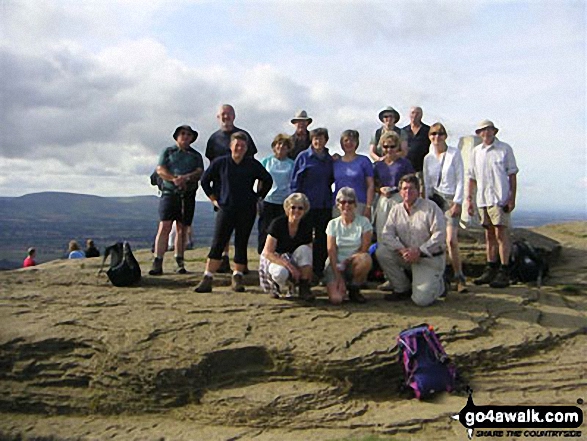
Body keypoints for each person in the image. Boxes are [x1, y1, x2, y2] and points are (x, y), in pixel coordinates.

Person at [195, 132, 273, 293]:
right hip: (226, 207)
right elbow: (204, 180)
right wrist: (213, 199)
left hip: (247, 208)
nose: (239, 148)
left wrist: (259, 197)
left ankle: (237, 277)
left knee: (241, 242)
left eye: (242, 146)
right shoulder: (221, 162)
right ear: (230, 146)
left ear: (246, 148)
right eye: (236, 145)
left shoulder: (252, 164)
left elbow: (267, 180)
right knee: (218, 242)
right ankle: (208, 277)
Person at [376, 174, 447, 306]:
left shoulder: (431, 208)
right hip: (407, 256)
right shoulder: (396, 210)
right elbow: (386, 234)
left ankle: (439, 284)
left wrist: (420, 251)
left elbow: (440, 234)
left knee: (421, 301)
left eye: (411, 189)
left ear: (418, 191)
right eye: (404, 188)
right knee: (382, 252)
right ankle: (402, 288)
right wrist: (402, 250)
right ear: (400, 191)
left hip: (428, 259)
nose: (408, 192)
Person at [205, 104, 258, 272]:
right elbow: (210, 166)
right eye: (222, 114)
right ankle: (224, 259)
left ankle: (240, 266)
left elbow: (253, 164)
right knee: (222, 230)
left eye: (228, 114)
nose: (225, 117)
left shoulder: (244, 136)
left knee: (241, 234)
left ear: (234, 116)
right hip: (222, 189)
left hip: (243, 190)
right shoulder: (214, 138)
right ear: (218, 117)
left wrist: (256, 195)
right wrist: (213, 196)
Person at [467, 120, 519, 288]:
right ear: (479, 133)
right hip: (483, 199)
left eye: (489, 130)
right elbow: (472, 177)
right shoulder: (476, 152)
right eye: (483, 130)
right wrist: (469, 198)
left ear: (494, 131)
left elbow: (512, 175)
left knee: (501, 234)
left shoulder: (505, 149)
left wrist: (512, 198)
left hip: (499, 197)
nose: (486, 133)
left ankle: (504, 270)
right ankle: (491, 268)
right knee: (489, 236)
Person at [149, 125, 204, 275]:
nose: (185, 137)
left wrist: (185, 178)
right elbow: (160, 169)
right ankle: (157, 261)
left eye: (188, 135)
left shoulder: (196, 156)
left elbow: (199, 172)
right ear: (177, 136)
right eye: (182, 134)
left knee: (183, 228)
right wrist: (174, 179)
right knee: (165, 226)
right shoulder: (168, 152)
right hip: (169, 193)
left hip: (187, 194)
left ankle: (179, 261)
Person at [423, 122, 467, 293]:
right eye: (433, 134)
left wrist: (458, 202)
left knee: (451, 240)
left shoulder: (454, 154)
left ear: (445, 136)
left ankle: (459, 276)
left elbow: (460, 178)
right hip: (434, 199)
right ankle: (439, 276)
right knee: (435, 239)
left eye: (440, 134)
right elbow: (427, 182)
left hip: (450, 198)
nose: (437, 137)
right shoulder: (428, 158)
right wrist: (426, 203)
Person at [290, 127, 334, 279]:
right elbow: (295, 182)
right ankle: (301, 271)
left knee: (322, 239)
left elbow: (332, 180)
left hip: (324, 205)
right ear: (311, 140)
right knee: (304, 238)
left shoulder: (329, 159)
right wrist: (295, 204)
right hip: (305, 206)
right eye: (315, 138)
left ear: (326, 140)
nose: (318, 141)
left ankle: (318, 271)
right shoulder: (303, 157)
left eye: (321, 138)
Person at [259, 193, 314, 301]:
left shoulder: (306, 226)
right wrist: (290, 267)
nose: (296, 211)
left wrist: (307, 273)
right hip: (276, 258)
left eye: (300, 208)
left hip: (293, 257)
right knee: (280, 272)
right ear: (287, 208)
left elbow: (308, 252)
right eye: (293, 207)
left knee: (305, 250)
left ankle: (304, 286)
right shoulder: (277, 224)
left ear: (304, 210)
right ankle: (276, 285)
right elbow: (267, 252)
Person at [325, 187, 373, 305]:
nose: (346, 205)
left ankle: (354, 289)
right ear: (338, 205)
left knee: (365, 259)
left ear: (355, 204)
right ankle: (340, 284)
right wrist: (338, 277)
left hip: (354, 261)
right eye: (342, 202)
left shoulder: (364, 222)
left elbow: (364, 249)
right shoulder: (333, 224)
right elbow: (331, 250)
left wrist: (348, 260)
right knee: (336, 300)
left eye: (350, 202)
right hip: (335, 262)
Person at [373, 132, 415, 240]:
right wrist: (380, 189)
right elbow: (373, 183)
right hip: (383, 199)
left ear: (398, 147)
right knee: (382, 230)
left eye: (392, 146)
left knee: (401, 230)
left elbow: (412, 181)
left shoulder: (405, 163)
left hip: (399, 198)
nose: (389, 149)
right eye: (386, 146)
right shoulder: (378, 165)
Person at [258, 134, 295, 254]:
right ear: (274, 146)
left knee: (281, 230)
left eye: (285, 145)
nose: (281, 146)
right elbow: (260, 181)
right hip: (268, 201)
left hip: (284, 203)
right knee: (265, 230)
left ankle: (280, 257)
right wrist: (259, 198)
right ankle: (263, 257)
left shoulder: (292, 164)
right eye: (279, 144)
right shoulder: (266, 161)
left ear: (289, 148)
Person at [333, 130, 374, 220]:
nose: (349, 143)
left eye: (352, 140)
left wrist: (368, 206)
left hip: (359, 204)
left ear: (357, 143)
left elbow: (370, 185)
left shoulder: (364, 161)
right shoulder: (335, 162)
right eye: (346, 140)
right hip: (339, 206)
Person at [403, 106, 431, 180]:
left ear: (421, 115)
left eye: (417, 113)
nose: (415, 115)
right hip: (406, 170)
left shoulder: (428, 131)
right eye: (413, 113)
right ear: (409, 115)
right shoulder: (402, 131)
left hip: (422, 170)